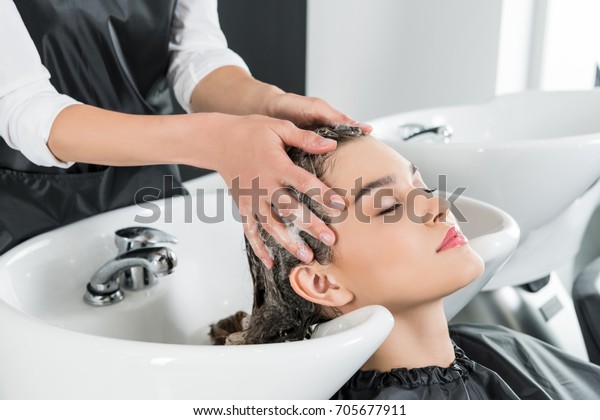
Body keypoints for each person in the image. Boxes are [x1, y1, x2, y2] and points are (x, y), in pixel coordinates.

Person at [209, 126, 600, 400]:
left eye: (423, 187)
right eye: (391, 206)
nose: (439, 206)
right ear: (321, 283)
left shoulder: (496, 345)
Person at [0, 0, 370, 262]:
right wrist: (215, 140)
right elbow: (24, 109)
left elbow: (193, 54)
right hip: (25, 208)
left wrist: (267, 102)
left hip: (149, 184)